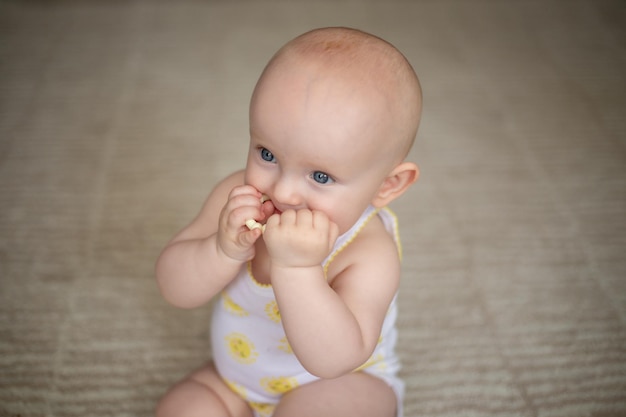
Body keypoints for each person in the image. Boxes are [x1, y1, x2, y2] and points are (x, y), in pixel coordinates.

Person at [155, 26, 422, 417]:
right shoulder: (237, 197)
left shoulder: (369, 250)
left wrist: (298, 268)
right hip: (237, 381)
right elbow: (173, 288)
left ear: (387, 185)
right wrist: (220, 250)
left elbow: (334, 360)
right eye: (267, 154)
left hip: (341, 385)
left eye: (320, 177)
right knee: (182, 408)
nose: (281, 192)